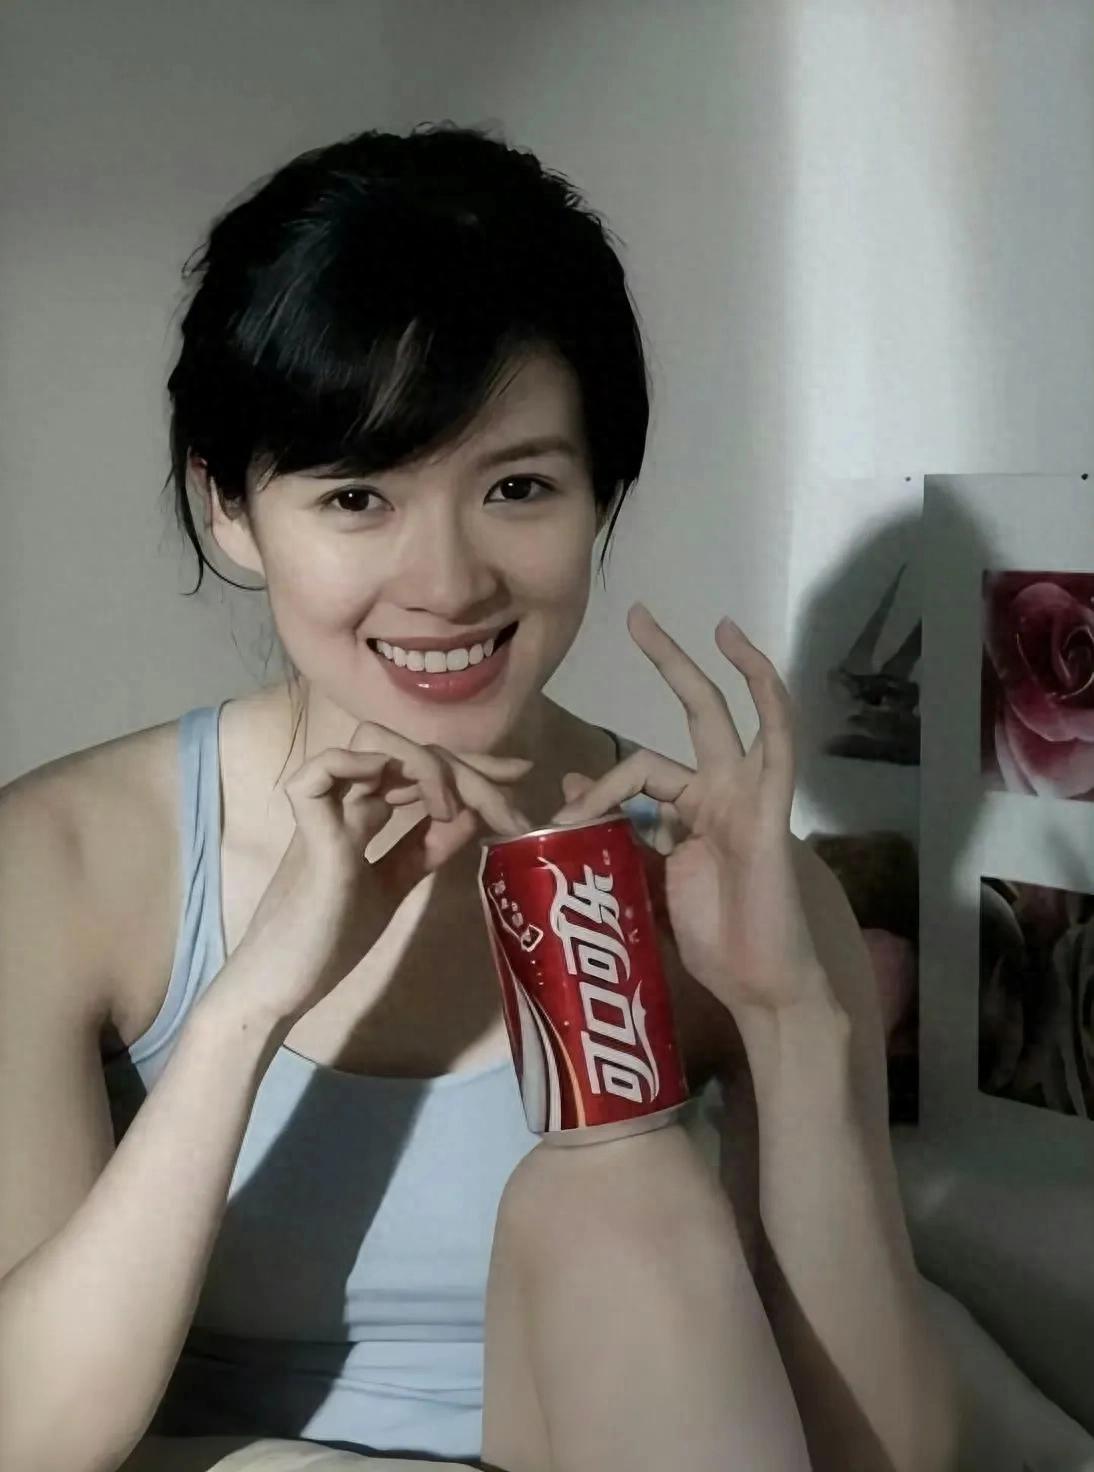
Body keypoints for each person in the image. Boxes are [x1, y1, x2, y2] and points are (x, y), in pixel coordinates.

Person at [0, 123, 957, 1472]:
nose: (448, 584)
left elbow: (884, 1460)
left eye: (517, 487)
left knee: (624, 1187)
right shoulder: (66, 862)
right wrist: (249, 1002)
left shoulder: (719, 873)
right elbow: (28, 1434)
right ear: (230, 509)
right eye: (357, 499)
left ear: (599, 493)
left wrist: (789, 1018)